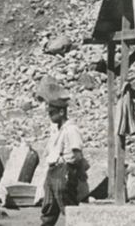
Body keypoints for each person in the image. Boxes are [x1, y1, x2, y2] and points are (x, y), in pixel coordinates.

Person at [36, 78, 85, 226]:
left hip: (64, 171)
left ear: (62, 112)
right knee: (49, 208)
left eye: (52, 113)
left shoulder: (71, 129)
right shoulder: (57, 130)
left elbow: (77, 155)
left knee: (68, 207)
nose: (50, 117)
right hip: (53, 171)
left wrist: (71, 172)